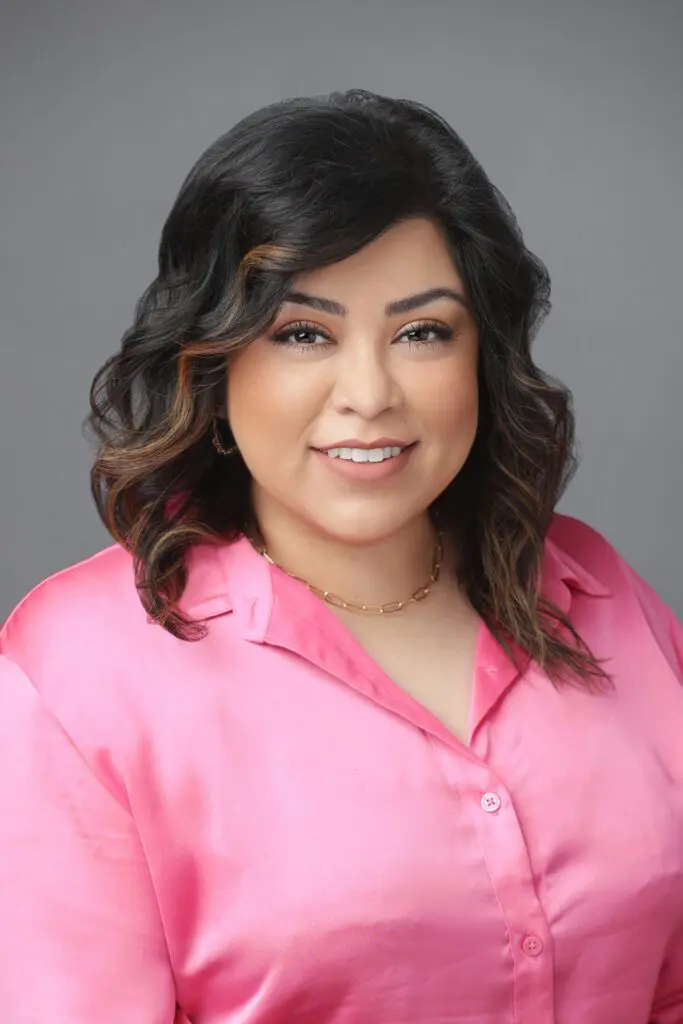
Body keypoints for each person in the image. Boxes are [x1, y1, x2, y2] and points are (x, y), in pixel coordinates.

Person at [0, 88, 681, 1024]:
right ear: (212, 359)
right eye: (302, 333)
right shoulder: (81, 671)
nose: (367, 393)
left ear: (483, 355)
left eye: (421, 332)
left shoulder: (603, 594)